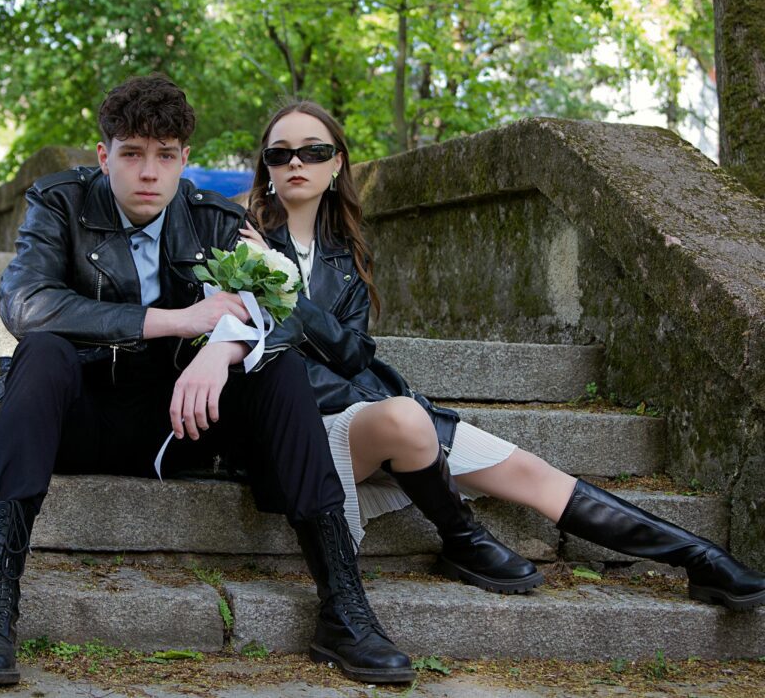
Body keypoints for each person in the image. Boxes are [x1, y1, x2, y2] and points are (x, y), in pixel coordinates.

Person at [0, 76, 417, 687]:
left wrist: (218, 349)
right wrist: (177, 320)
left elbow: (269, 307)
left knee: (274, 369)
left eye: (165, 155)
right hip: (76, 418)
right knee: (42, 352)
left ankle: (343, 608)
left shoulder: (214, 220)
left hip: (184, 423)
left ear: (184, 161)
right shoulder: (58, 202)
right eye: (132, 153)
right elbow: (26, 303)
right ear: (103, 156)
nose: (149, 172)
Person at [242, 99, 765, 613]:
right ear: (265, 168)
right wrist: (287, 291)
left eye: (313, 151)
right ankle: (463, 536)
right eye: (279, 154)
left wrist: (295, 301)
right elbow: (267, 361)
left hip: (377, 413)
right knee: (407, 419)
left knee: (531, 473)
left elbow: (354, 354)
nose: (294, 163)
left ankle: (702, 558)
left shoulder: (347, 254)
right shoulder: (239, 242)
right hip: (301, 434)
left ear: (336, 165)